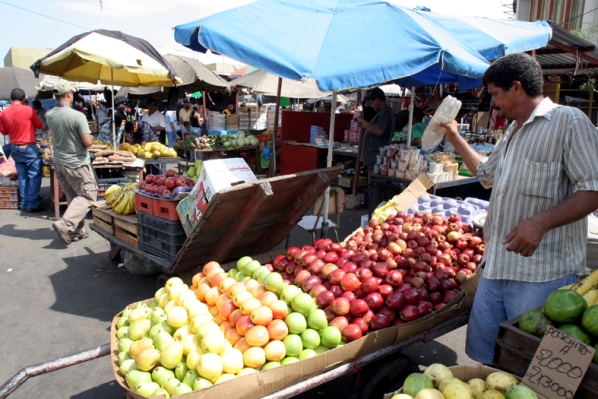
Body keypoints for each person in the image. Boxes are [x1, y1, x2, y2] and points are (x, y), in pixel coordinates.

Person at [439, 53, 598, 364]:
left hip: (541, 275)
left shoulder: (568, 122)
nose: (493, 103)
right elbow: (486, 176)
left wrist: (540, 223)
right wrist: (454, 137)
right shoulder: (512, 131)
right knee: (488, 358)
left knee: (532, 363)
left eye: (495, 94)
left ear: (516, 87)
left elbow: (592, 189)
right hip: (497, 265)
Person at [46, 82, 98, 245]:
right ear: (69, 94)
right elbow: (87, 142)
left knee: (74, 196)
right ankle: (65, 224)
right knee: (89, 195)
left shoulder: (50, 114)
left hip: (60, 162)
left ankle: (77, 230)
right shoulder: (77, 116)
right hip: (76, 163)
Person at [0, 88, 44, 212]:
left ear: (10, 99)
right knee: (34, 175)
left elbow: (3, 131)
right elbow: (39, 125)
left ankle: (24, 203)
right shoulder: (28, 110)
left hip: (15, 147)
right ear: (24, 99)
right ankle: (33, 204)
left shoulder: (3, 113)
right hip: (28, 147)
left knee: (22, 176)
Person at [354, 87, 395, 179]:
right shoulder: (382, 112)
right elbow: (374, 129)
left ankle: (374, 194)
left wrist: (362, 121)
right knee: (372, 180)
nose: (372, 106)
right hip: (373, 155)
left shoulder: (385, 112)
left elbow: (378, 131)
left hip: (375, 155)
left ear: (377, 100)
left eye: (372, 103)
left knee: (374, 181)